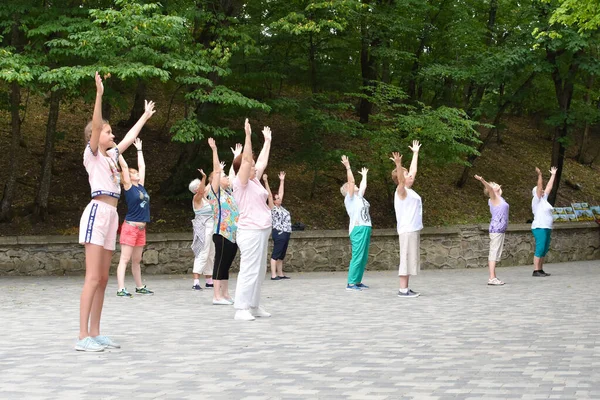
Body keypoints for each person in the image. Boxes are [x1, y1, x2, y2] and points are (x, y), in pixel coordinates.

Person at [76, 72, 155, 351]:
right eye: (109, 132)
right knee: (92, 277)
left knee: (104, 278)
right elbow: (96, 126)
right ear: (96, 137)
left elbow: (131, 137)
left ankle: (95, 333)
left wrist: (144, 117)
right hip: (97, 212)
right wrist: (98, 95)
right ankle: (82, 336)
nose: (112, 135)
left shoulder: (111, 157)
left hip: (112, 216)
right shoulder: (93, 153)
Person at [231, 119, 272, 321]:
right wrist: (247, 136)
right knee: (249, 269)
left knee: (260, 269)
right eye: (251, 166)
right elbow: (247, 161)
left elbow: (261, 161)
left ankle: (254, 305)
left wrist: (267, 141)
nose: (255, 167)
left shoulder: (254, 180)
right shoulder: (240, 183)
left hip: (262, 230)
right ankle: (241, 308)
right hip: (250, 231)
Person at [115, 139, 154, 297]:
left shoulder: (141, 186)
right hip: (130, 227)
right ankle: (121, 288)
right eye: (134, 174)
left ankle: (139, 286)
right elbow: (123, 167)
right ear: (129, 178)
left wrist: (139, 150)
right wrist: (117, 152)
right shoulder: (128, 187)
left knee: (136, 260)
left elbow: (143, 166)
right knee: (124, 259)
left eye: (137, 173)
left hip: (141, 229)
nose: (137, 174)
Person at [207, 138, 239, 305]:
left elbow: (235, 174)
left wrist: (237, 156)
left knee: (227, 264)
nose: (227, 178)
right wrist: (214, 150)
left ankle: (225, 293)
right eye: (223, 176)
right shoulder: (216, 194)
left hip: (233, 234)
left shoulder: (229, 193)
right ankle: (216, 296)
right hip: (222, 233)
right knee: (220, 263)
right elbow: (217, 171)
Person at [391, 140, 422, 298]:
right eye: (406, 175)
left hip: (412, 229)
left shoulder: (409, 191)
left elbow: (413, 171)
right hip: (407, 230)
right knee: (405, 258)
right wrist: (398, 164)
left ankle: (406, 288)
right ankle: (402, 290)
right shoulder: (400, 191)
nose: (410, 175)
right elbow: (402, 179)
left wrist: (415, 153)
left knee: (410, 259)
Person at [340, 156, 371, 291]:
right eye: (351, 186)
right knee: (357, 255)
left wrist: (364, 175)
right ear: (348, 190)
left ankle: (357, 281)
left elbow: (363, 185)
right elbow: (351, 181)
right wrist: (348, 166)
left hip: (365, 227)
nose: (355, 185)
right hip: (358, 228)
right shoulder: (350, 198)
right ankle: (351, 283)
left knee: (363, 256)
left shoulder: (359, 197)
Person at [474, 175, 508, 286]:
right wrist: (483, 180)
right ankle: (492, 278)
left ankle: (493, 277)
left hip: (500, 229)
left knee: (496, 253)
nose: (495, 184)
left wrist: (497, 188)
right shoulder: (493, 198)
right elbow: (490, 189)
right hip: (496, 229)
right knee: (493, 253)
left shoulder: (499, 198)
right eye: (493, 185)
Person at [262, 172, 292, 280]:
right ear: (274, 201)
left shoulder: (281, 208)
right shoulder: (273, 208)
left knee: (281, 254)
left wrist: (282, 181)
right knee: (276, 253)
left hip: (286, 232)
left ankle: (280, 273)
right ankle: (273, 274)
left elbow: (281, 192)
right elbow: (269, 195)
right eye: (277, 198)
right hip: (279, 232)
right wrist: (266, 181)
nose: (279, 199)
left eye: (279, 198)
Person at [189, 169, 215, 290]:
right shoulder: (197, 198)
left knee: (211, 253)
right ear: (196, 190)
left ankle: (209, 280)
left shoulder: (205, 198)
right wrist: (204, 177)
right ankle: (196, 281)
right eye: (200, 186)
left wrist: (217, 171)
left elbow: (212, 183)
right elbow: (202, 190)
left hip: (211, 227)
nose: (203, 187)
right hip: (203, 227)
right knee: (203, 253)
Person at [531, 166, 557, 277]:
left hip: (547, 227)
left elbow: (549, 187)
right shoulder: (536, 200)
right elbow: (540, 186)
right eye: (540, 190)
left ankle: (541, 269)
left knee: (544, 249)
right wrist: (540, 175)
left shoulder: (544, 199)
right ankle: (536, 270)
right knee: (540, 248)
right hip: (539, 227)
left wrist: (553, 175)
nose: (542, 191)